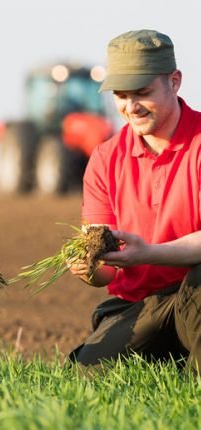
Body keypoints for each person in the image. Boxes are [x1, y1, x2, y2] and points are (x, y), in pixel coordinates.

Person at [68, 29, 201, 371]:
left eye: (142, 92)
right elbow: (107, 270)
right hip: (141, 304)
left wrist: (150, 253)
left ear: (174, 82)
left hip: (196, 289)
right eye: (121, 95)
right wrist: (90, 269)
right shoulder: (104, 158)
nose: (130, 107)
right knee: (89, 373)